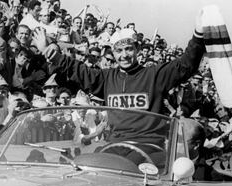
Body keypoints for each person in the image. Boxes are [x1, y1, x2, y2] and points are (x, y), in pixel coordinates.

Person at [32, 11, 205, 163]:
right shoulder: (107, 78)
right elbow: (78, 70)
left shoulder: (154, 75)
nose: (124, 55)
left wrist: (198, 35)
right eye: (119, 51)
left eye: (129, 49)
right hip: (115, 146)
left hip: (149, 148)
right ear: (113, 53)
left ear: (136, 49)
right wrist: (50, 52)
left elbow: (186, 65)